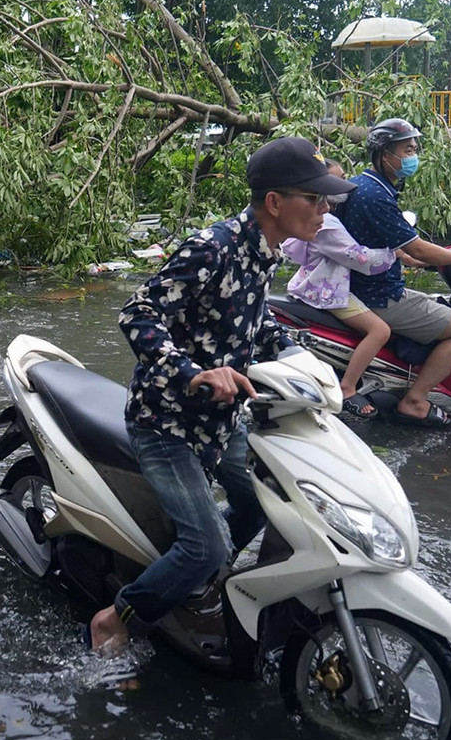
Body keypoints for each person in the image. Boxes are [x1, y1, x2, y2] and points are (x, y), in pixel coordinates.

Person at [87, 136, 352, 655]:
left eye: (327, 200)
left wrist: (303, 358)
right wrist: (191, 373)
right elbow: (138, 313)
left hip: (225, 419)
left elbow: (255, 318)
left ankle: (196, 573)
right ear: (275, 203)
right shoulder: (212, 247)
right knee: (207, 546)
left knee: (267, 503)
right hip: (167, 422)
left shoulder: (265, 250)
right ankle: (115, 616)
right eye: (315, 199)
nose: (325, 210)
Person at [336, 119, 451, 427]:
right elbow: (419, 247)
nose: (413, 156)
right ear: (385, 155)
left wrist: (413, 258)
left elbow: (389, 244)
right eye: (407, 150)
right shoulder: (376, 196)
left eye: (414, 149)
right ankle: (415, 400)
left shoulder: (363, 185)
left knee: (435, 302)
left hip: (361, 285)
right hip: (379, 295)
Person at [281, 159, 391, 418]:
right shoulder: (327, 222)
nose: (344, 184)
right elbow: (360, 259)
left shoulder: (327, 216)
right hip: (325, 291)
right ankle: (348, 388)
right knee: (380, 330)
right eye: (336, 181)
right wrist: (395, 253)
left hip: (311, 285)